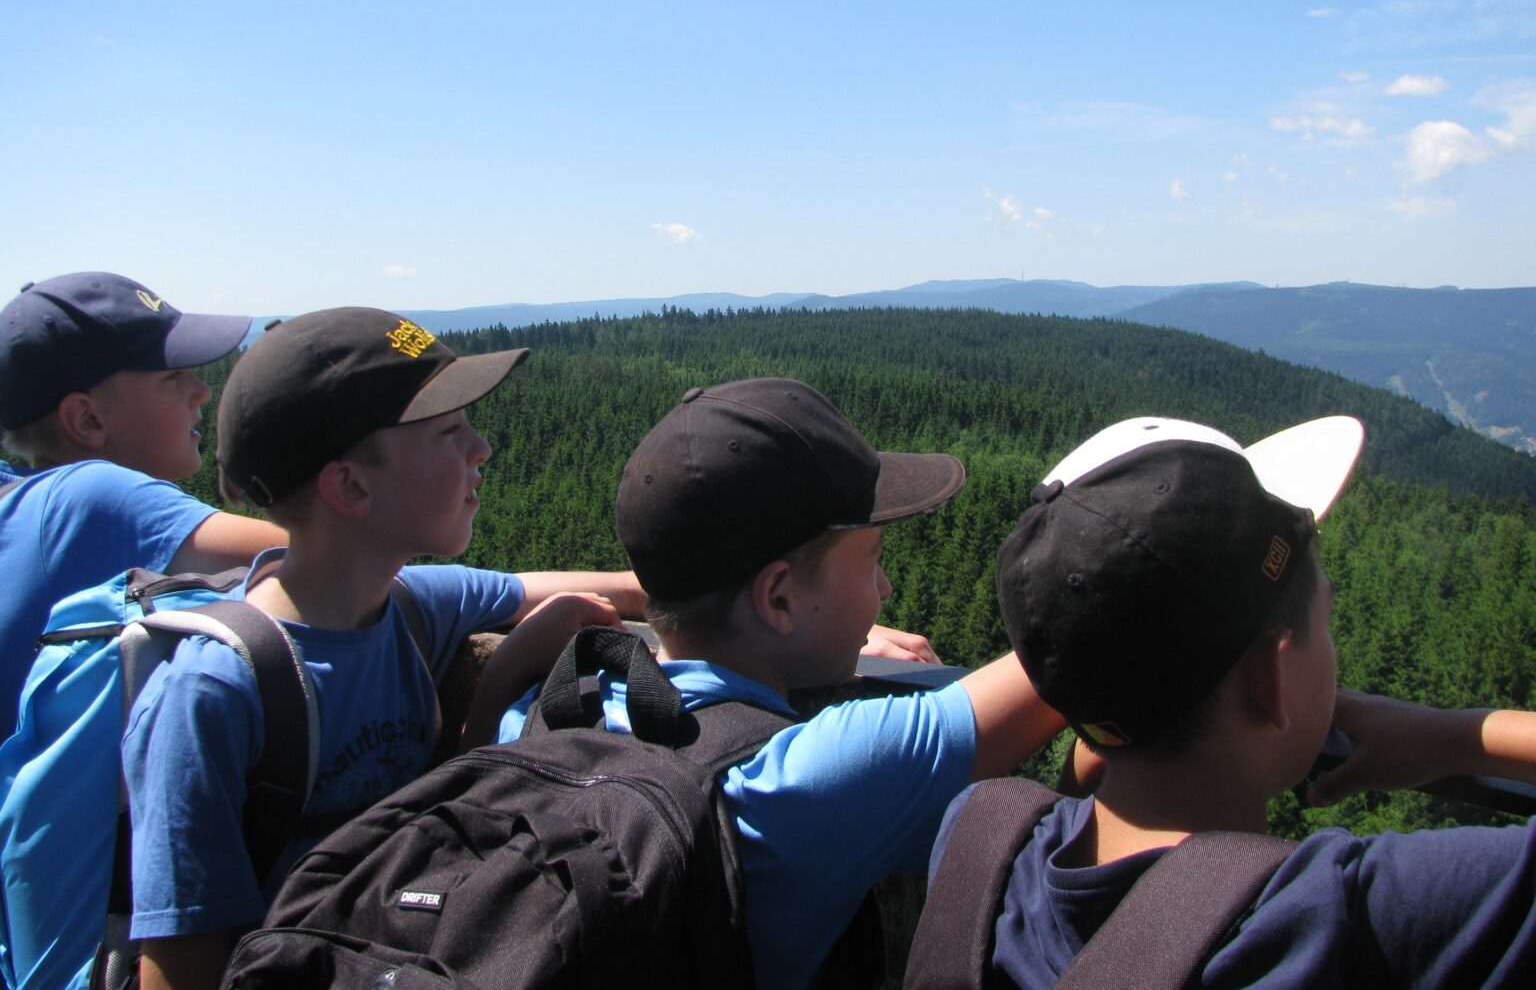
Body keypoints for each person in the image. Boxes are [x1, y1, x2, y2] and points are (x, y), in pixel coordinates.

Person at [121, 307, 647, 990]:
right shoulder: (213, 693)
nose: (482, 448)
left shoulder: (408, 603)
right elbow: (181, 964)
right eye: (449, 432)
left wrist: (516, 660)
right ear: (351, 485)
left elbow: (565, 588)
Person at [488, 378, 1066, 990]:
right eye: (873, 560)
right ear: (780, 597)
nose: (887, 587)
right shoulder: (797, 783)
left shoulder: (548, 709)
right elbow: (1070, 655)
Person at [927, 414, 1536, 988]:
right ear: (1271, 680)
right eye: (1324, 619)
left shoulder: (980, 838)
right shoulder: (1353, 916)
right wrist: (1457, 737)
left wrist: (1104, 750)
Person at [0, 272, 288, 733]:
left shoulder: (22, 498)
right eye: (173, 376)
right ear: (87, 419)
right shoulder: (94, 498)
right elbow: (336, 557)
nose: (202, 391)